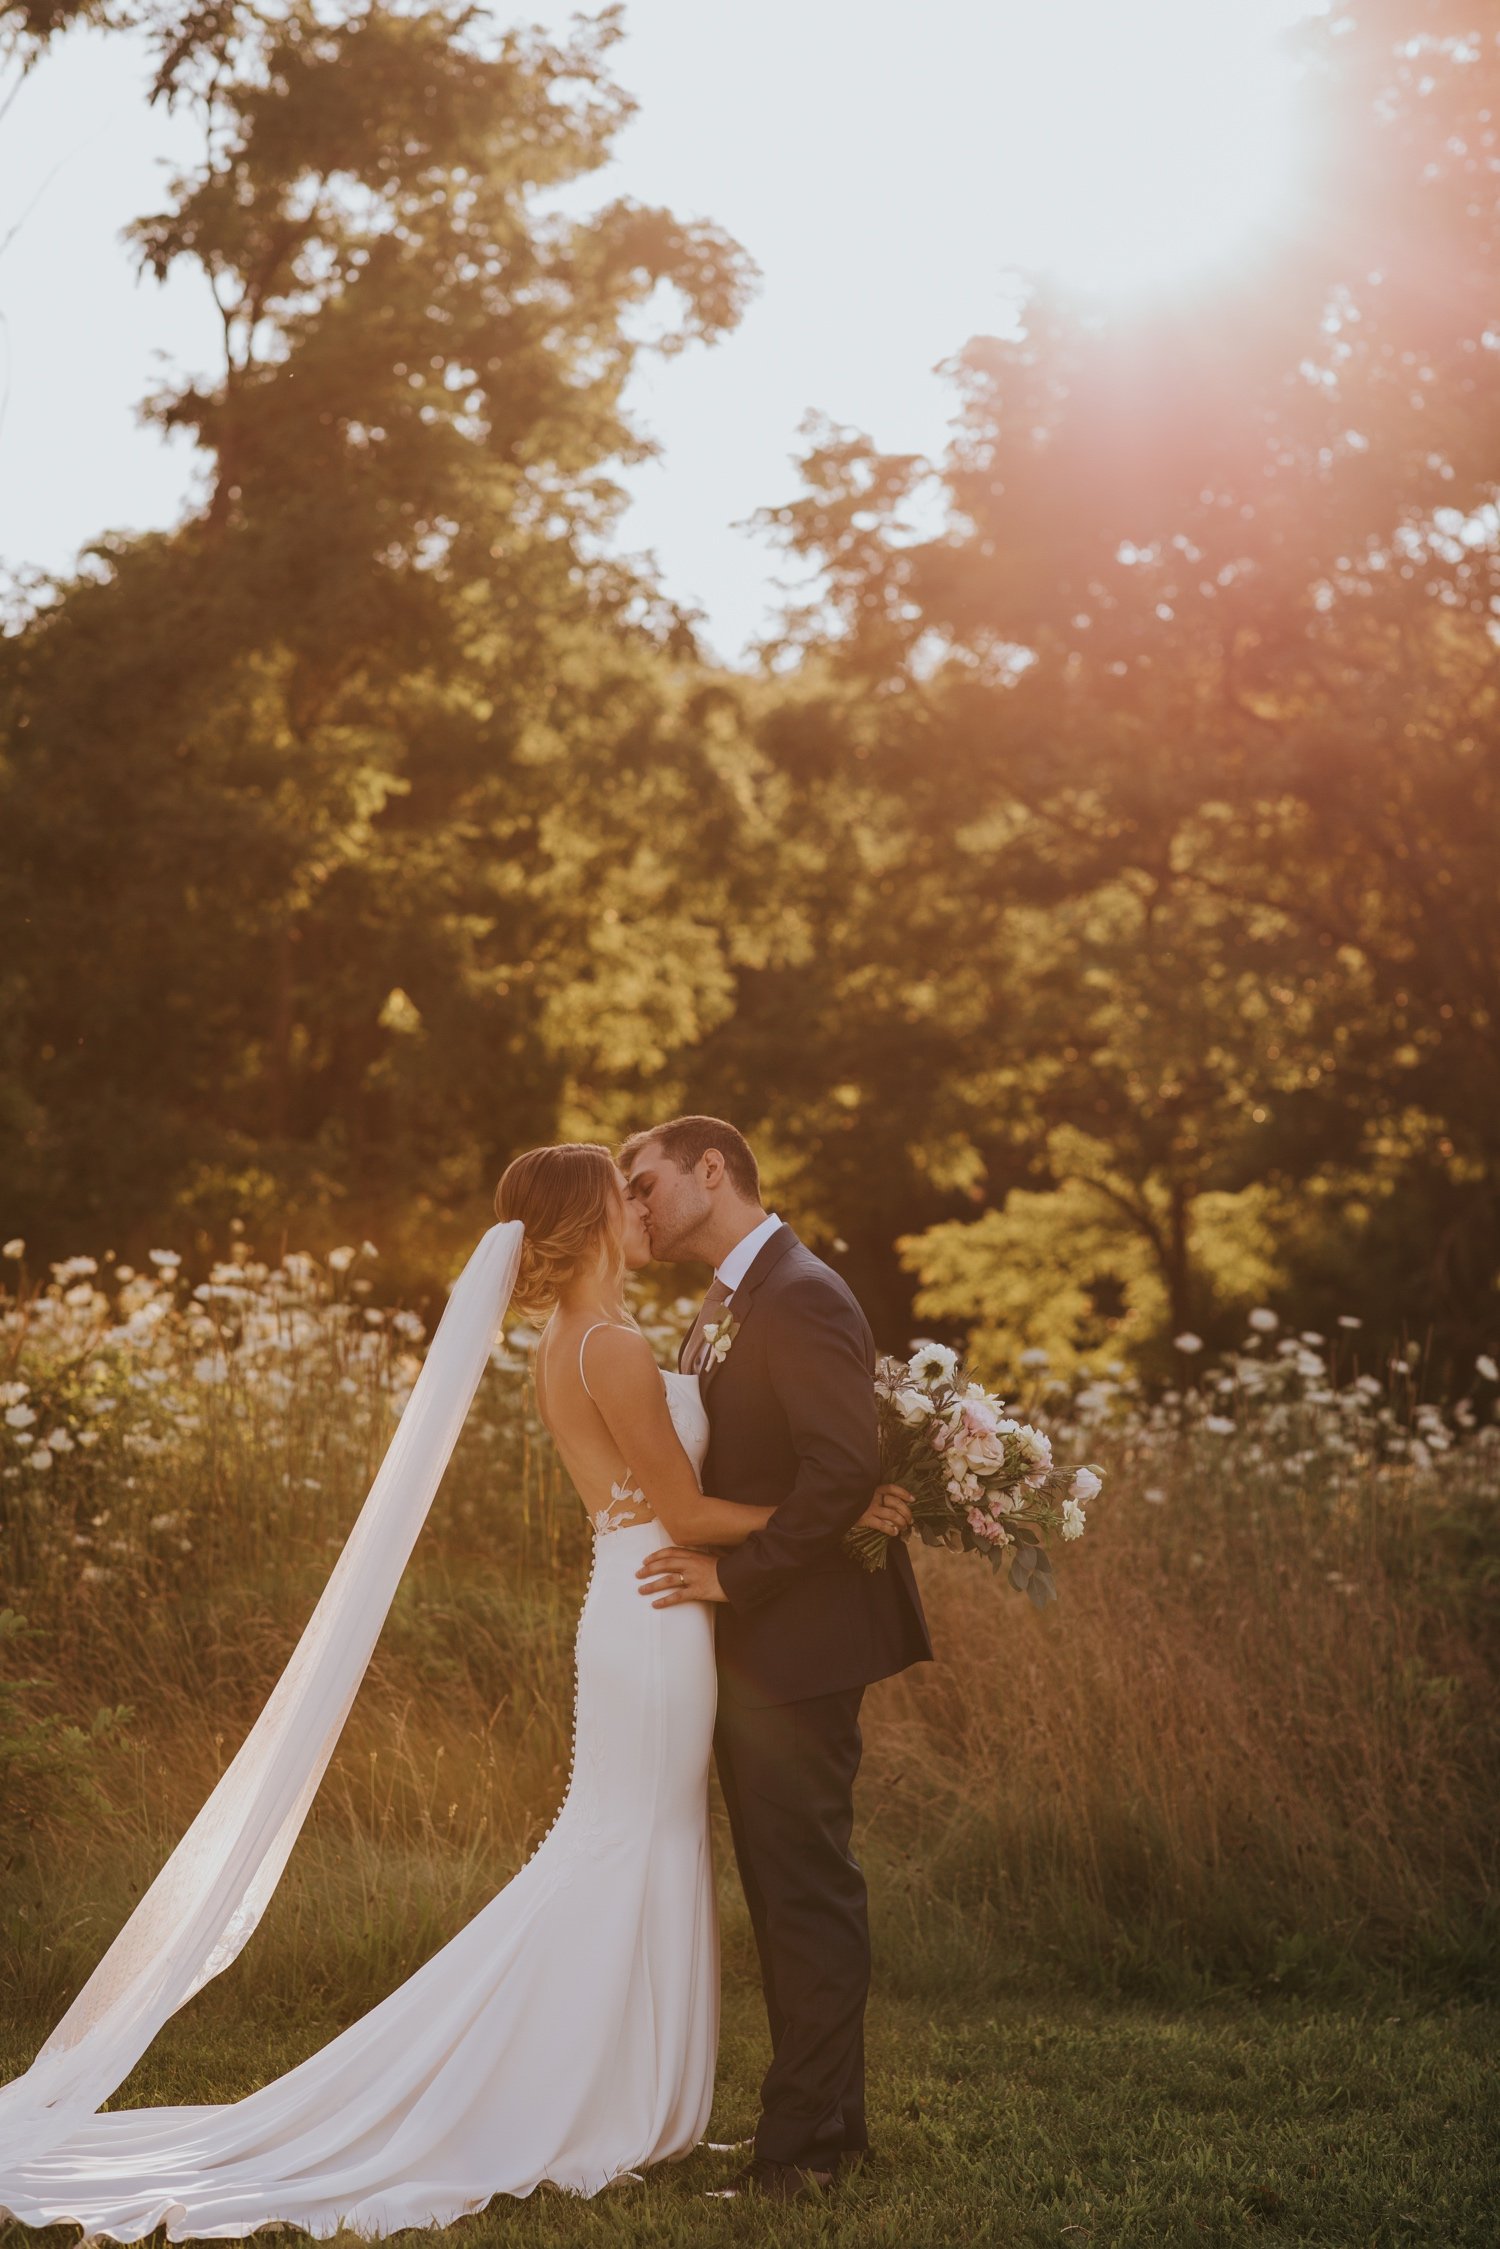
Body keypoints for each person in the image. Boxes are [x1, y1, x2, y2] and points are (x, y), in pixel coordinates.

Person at [0, 1141, 910, 2235]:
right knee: (624, 1847)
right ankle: (569, 2101)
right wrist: (840, 1513)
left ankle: (642, 2101)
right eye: (622, 1194)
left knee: (642, 1846)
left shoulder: (581, 1339)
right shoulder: (611, 1345)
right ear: (588, 1220)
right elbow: (687, 1509)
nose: (639, 1207)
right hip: (661, 1604)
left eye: (645, 1183)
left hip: (645, 1608)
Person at [621, 1116, 932, 2203]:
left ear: (714, 1169)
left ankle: (797, 2154)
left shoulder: (799, 1291)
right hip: (765, 1645)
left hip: (801, 1639)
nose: (636, 1204)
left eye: (646, 1181)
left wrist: (729, 1579)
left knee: (806, 1895)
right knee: (786, 1887)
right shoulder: (726, 1300)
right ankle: (825, 2125)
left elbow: (841, 1473)